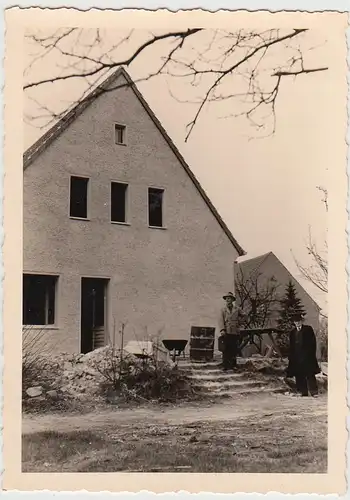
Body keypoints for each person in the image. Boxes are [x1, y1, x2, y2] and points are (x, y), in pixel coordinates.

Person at [286, 313, 321, 397]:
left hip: (307, 356)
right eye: (296, 322)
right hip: (297, 357)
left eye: (298, 321)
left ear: (301, 321)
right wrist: (291, 356)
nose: (297, 323)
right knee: (299, 374)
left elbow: (313, 343)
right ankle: (303, 392)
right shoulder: (292, 332)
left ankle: (314, 392)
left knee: (310, 374)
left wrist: (310, 354)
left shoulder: (308, 329)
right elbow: (291, 346)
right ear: (294, 323)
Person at [219, 292, 246, 371]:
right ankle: (225, 366)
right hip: (226, 331)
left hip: (235, 331)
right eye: (226, 298)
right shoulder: (223, 310)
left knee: (234, 349)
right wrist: (222, 330)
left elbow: (245, 316)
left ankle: (233, 365)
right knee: (226, 349)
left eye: (229, 298)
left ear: (232, 300)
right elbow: (221, 321)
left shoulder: (237, 309)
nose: (228, 299)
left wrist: (239, 323)